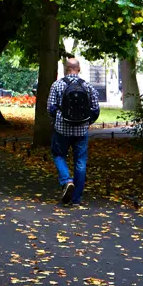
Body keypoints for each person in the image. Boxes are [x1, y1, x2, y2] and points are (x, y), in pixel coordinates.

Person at [46, 58, 101, 205]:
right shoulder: (88, 86)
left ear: (66, 68)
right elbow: (95, 110)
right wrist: (87, 122)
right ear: (79, 68)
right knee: (81, 162)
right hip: (81, 131)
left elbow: (50, 108)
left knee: (58, 155)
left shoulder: (57, 85)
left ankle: (67, 180)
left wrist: (58, 119)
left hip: (62, 130)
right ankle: (76, 199)